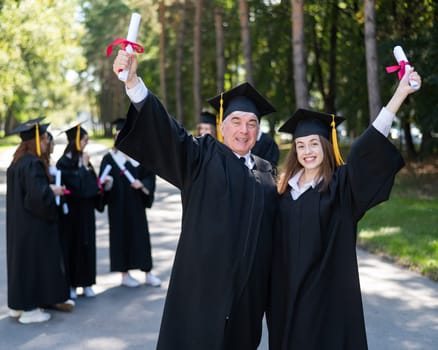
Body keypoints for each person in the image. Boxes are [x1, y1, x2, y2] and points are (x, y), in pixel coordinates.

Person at [112, 50, 278, 349]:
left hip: (246, 302)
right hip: (201, 292)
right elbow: (167, 132)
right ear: (222, 125)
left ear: (258, 130)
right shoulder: (200, 157)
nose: (244, 130)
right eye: (236, 120)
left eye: (252, 123)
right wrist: (134, 83)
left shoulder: (267, 174)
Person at [267, 68, 422, 349]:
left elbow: (369, 146)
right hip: (287, 296)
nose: (307, 151)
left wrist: (400, 93)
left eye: (314, 143)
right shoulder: (282, 191)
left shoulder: (341, 186)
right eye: (300, 146)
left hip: (327, 297)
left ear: (327, 146)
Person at [6, 117, 73, 324]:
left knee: (20, 264)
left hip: (19, 224)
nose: (46, 143)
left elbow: (28, 193)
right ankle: (30, 309)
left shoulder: (17, 161)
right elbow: (38, 198)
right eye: (44, 139)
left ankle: (18, 305)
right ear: (36, 140)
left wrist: (47, 189)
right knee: (33, 265)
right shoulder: (33, 163)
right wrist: (52, 194)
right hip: (34, 225)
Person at [99, 118, 161, 288]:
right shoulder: (110, 158)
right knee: (121, 238)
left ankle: (147, 273)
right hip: (117, 206)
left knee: (140, 237)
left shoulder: (140, 156)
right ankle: (124, 274)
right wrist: (106, 184)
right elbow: (101, 183)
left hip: (136, 205)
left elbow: (150, 177)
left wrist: (143, 184)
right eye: (118, 135)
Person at [56, 122, 108, 299]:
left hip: (86, 212)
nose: (86, 144)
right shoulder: (63, 163)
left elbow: (92, 187)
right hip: (72, 213)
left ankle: (86, 283)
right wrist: (84, 168)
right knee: (73, 247)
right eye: (85, 140)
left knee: (87, 246)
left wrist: (101, 185)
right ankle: (72, 285)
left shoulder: (84, 160)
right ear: (76, 141)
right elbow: (78, 188)